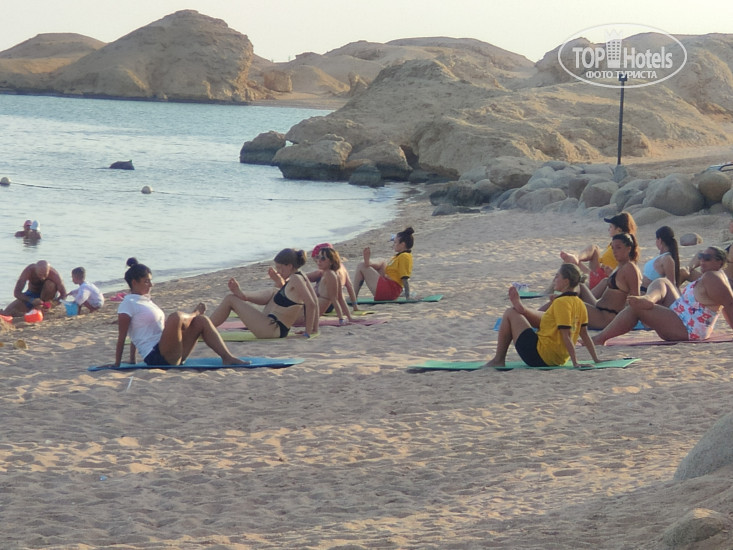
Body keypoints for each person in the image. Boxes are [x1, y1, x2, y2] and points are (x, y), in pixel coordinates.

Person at [110, 259, 247, 367]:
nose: (151, 285)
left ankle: (227, 358)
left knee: (202, 320)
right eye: (147, 281)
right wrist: (117, 364)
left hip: (170, 351)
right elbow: (123, 336)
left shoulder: (146, 301)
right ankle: (195, 313)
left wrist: (132, 359)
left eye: (151, 281)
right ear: (134, 282)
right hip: (155, 357)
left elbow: (140, 330)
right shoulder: (127, 304)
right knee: (175, 317)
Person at [593, 246, 733, 345]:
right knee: (663, 282)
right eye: (701, 257)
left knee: (636, 309)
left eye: (707, 258)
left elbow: (729, 304)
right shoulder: (711, 275)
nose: (702, 261)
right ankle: (649, 298)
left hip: (689, 328)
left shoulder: (712, 277)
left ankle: (600, 339)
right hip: (684, 316)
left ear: (719, 262)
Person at [484, 263, 600, 368]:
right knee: (529, 315)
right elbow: (584, 334)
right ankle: (523, 310)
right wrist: (596, 359)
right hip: (559, 359)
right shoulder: (580, 304)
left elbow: (566, 335)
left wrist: (575, 363)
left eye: (557, 276)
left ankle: (498, 359)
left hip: (540, 356)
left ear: (566, 281)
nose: (554, 280)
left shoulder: (561, 302)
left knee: (510, 312)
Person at [209, 248, 319, 338]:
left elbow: (311, 304)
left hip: (272, 329)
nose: (278, 271)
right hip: (274, 327)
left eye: (280, 268)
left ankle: (205, 327)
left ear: (289, 266)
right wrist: (314, 329)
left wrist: (307, 332)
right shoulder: (301, 275)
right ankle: (244, 295)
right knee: (275, 291)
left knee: (230, 299)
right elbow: (315, 302)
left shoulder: (295, 278)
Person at [577, 232, 641, 329]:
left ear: (628, 248)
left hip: (605, 317)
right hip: (598, 308)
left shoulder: (630, 268)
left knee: (569, 302)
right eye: (613, 248)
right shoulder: (620, 266)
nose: (614, 251)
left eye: (618, 248)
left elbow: (636, 298)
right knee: (579, 286)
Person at [560, 212, 637, 292]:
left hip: (602, 279)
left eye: (611, 227)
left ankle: (576, 259)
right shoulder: (616, 244)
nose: (608, 229)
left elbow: (623, 272)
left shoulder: (623, 249)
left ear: (619, 230)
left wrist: (611, 273)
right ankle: (576, 258)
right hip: (600, 275)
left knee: (571, 262)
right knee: (590, 251)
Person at [354, 227, 414, 301]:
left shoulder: (404, 256)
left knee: (361, 265)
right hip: (390, 287)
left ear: (402, 244)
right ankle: (368, 263)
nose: (393, 245)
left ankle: (353, 296)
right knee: (382, 262)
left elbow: (404, 278)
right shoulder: (399, 256)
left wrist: (408, 297)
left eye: (395, 242)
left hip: (390, 291)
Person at [0, 260, 67, 317]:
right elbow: (17, 293)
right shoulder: (28, 271)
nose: (42, 277)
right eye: (40, 274)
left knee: (50, 284)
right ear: (36, 270)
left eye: (45, 275)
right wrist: (31, 300)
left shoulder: (54, 275)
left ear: (48, 271)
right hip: (32, 294)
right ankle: (33, 308)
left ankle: (42, 308)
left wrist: (53, 304)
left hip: (47, 297)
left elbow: (64, 294)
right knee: (6, 312)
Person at [680, 215, 733, 285]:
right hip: (716, 279)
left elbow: (730, 260)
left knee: (684, 272)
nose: (730, 223)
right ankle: (688, 268)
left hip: (724, 283)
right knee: (684, 271)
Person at [640, 225, 680, 291]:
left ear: (659, 240)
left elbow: (672, 284)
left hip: (648, 291)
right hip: (643, 289)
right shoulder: (662, 257)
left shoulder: (667, 259)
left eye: (656, 239)